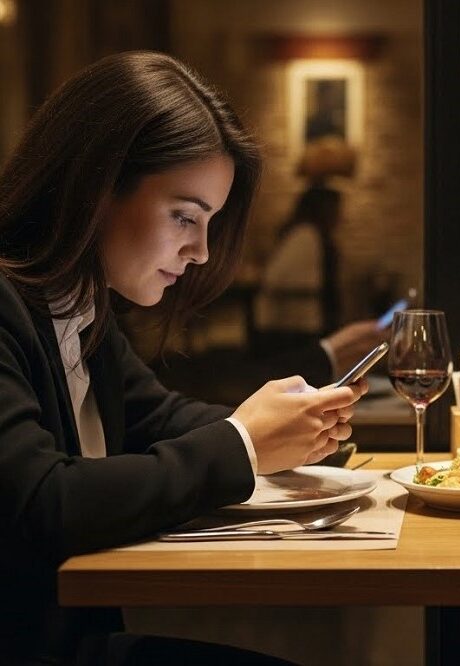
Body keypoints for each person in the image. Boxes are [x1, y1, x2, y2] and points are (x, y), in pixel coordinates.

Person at [0, 51, 367, 664]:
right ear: (97, 186)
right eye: (184, 216)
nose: (199, 250)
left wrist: (300, 431)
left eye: (209, 222)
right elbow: (43, 501)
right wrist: (246, 444)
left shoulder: (78, 308)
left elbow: (163, 418)